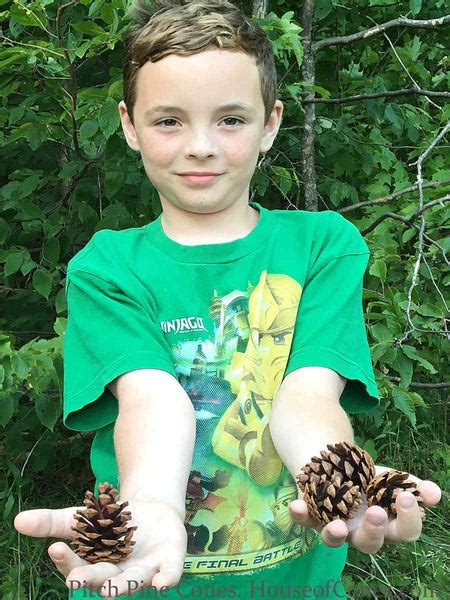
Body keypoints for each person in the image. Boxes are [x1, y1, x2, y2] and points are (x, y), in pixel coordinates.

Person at [14, 1, 441, 599]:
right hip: (140, 575)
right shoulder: (107, 268)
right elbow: (153, 400)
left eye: (231, 119)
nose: (201, 147)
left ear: (271, 123)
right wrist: (156, 506)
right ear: (129, 125)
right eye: (169, 121)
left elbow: (308, 395)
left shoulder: (322, 248)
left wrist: (345, 485)